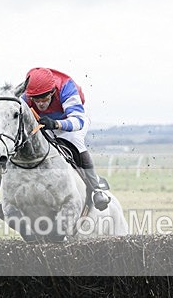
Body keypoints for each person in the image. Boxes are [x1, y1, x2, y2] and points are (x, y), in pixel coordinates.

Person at [23, 67, 110, 210]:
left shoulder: (66, 87)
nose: (40, 104)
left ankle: (96, 189)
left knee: (75, 141)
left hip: (71, 120)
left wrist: (56, 124)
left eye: (44, 98)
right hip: (44, 123)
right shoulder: (26, 94)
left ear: (52, 92)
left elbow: (78, 121)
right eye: (36, 99)